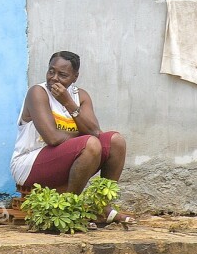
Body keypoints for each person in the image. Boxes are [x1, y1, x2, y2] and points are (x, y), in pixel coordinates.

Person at [10, 51, 135, 224]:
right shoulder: (37, 93)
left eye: (62, 75)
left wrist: (68, 102)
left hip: (63, 158)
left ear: (75, 77)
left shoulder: (79, 96)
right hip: (29, 163)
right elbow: (52, 138)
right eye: (51, 71)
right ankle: (70, 208)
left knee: (116, 141)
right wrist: (82, 137)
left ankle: (102, 207)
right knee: (90, 144)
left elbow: (95, 131)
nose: (54, 78)